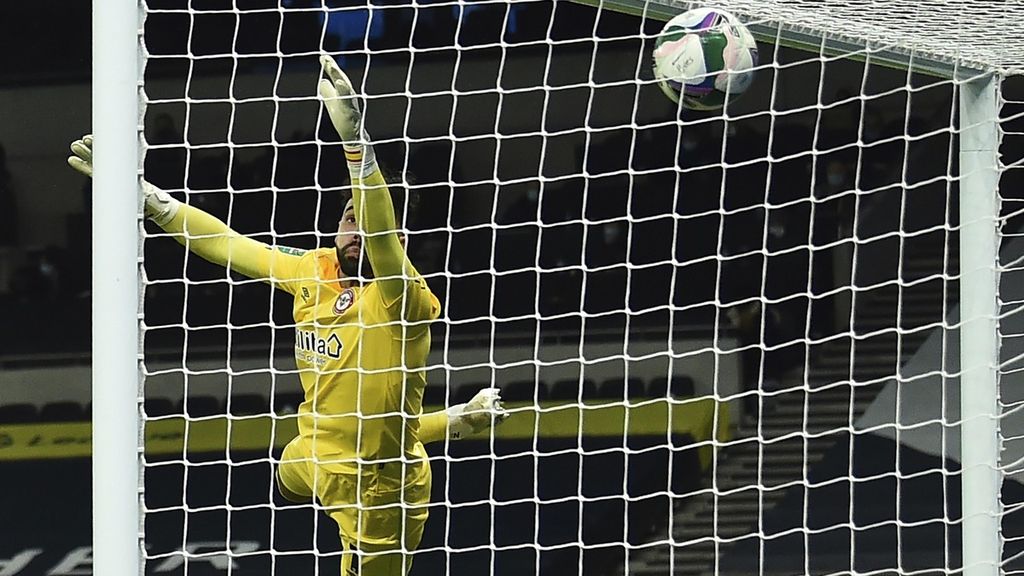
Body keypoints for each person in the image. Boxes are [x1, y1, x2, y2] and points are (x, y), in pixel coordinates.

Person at [68, 55, 508, 576]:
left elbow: (382, 238)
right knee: (289, 469)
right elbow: (226, 243)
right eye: (349, 218)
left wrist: (356, 143)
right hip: (313, 451)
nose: (356, 231)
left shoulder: (400, 297)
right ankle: (459, 421)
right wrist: (149, 200)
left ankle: (456, 425)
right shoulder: (311, 271)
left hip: (380, 487)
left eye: (366, 223)